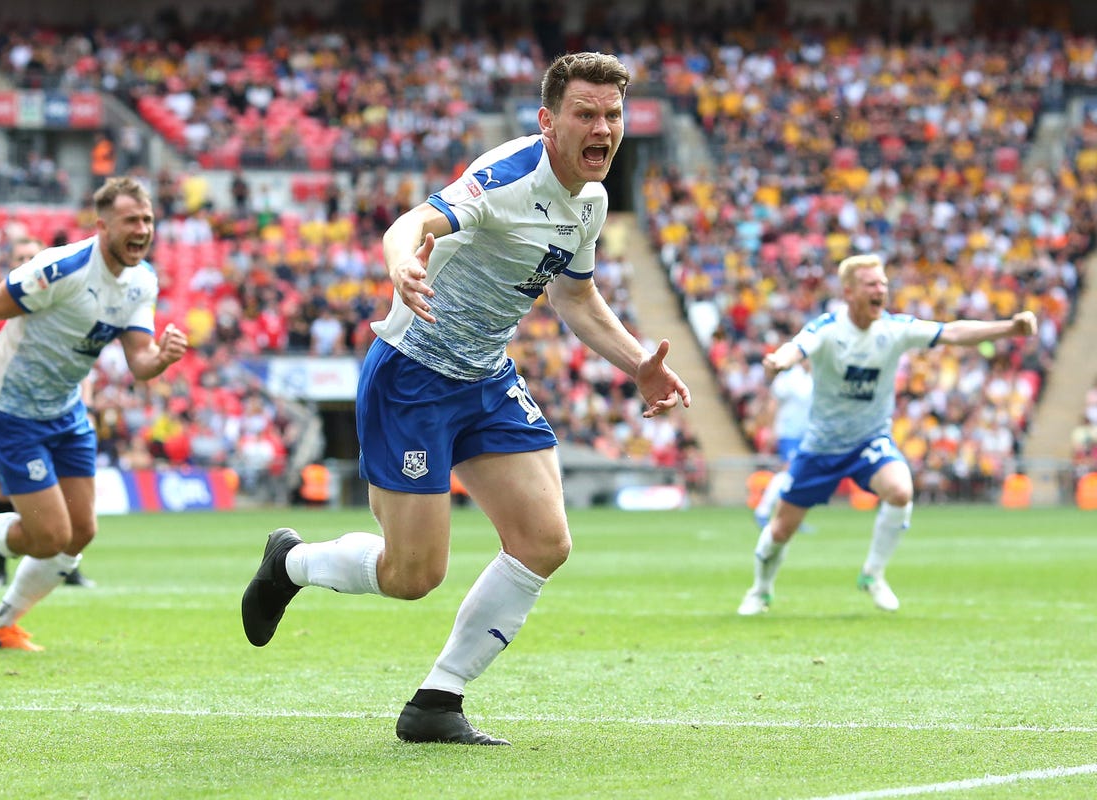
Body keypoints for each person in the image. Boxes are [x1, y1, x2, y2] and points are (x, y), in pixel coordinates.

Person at [240, 52, 691, 745]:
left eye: (612, 114)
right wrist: (401, 261)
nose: (603, 128)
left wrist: (639, 364)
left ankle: (436, 702)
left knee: (544, 542)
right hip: (412, 376)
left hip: (484, 377)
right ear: (548, 121)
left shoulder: (591, 201)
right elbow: (417, 222)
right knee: (412, 574)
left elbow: (574, 294)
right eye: (585, 114)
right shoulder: (507, 176)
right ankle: (291, 562)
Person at [0, 176, 188, 650]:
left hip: (66, 408)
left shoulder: (141, 282)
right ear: (102, 226)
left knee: (80, 532)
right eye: (131, 220)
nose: (142, 229)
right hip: (12, 408)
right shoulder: (60, 269)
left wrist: (159, 359)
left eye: (148, 220)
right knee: (48, 536)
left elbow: (139, 360)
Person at [737, 254, 1037, 616]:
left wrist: (1010, 329)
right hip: (822, 445)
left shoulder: (894, 329)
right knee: (782, 528)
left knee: (900, 490)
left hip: (870, 440)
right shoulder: (829, 329)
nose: (881, 290)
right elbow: (797, 347)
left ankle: (873, 574)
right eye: (871, 284)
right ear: (849, 292)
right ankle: (760, 590)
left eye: (883, 284)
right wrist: (779, 361)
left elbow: (952, 332)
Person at [0, 236, 96, 590]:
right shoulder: (0, 310)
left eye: (31, 256)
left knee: (71, 500)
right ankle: (0, 570)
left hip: (60, 415)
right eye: (20, 257)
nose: (26, 261)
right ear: (11, 263)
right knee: (8, 495)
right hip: (12, 417)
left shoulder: (63, 304)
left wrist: (87, 405)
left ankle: (69, 568)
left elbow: (81, 363)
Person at [752, 360, 813, 529]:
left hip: (804, 434)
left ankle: (791, 517)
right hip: (788, 433)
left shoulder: (810, 379)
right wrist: (771, 431)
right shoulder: (788, 378)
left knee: (797, 476)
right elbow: (773, 404)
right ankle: (762, 511)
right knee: (789, 471)